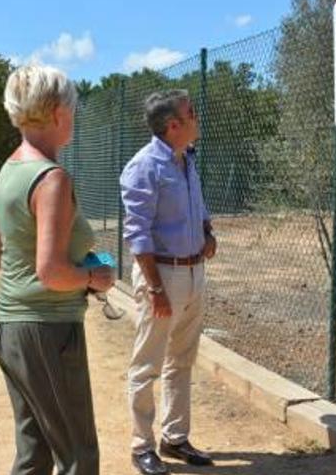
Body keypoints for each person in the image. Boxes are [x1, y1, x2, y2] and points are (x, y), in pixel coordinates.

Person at [0, 64, 114, 475]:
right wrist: (92, 277)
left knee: (33, 453)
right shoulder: (51, 178)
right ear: (58, 112)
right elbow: (51, 272)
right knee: (77, 456)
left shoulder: (10, 170)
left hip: (9, 329)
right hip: (48, 331)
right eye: (72, 109)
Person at [120, 90, 217, 475]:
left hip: (193, 273)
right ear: (172, 125)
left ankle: (175, 437)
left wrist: (208, 232)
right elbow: (137, 234)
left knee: (182, 360)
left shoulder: (186, 159)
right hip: (163, 275)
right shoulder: (144, 167)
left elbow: (200, 205)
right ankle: (141, 446)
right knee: (147, 366)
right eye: (191, 113)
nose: (197, 118)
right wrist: (156, 288)